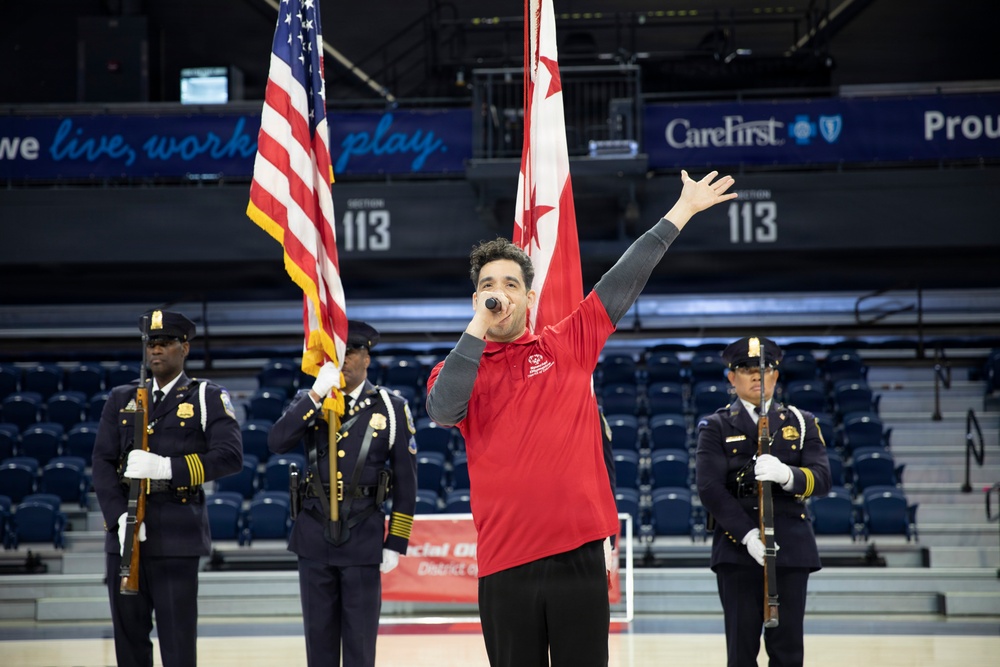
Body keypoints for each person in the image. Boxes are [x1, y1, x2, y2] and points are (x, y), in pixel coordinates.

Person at [425, 170, 737, 667]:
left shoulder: (566, 344)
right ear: (474, 299)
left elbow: (621, 281)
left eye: (510, 283)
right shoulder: (456, 369)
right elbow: (443, 411)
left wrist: (680, 213)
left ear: (530, 297)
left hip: (578, 556)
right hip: (505, 563)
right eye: (487, 285)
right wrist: (480, 326)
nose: (498, 292)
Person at [91, 309, 243, 667]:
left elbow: (230, 456)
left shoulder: (206, 397)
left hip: (176, 533)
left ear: (184, 348)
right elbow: (101, 461)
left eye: (165, 343)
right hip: (126, 537)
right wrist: (119, 519)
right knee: (129, 641)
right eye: (151, 343)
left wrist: (166, 467)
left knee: (177, 643)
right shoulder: (122, 398)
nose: (156, 351)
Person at [268, 320, 418, 667]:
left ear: (367, 357)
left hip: (363, 537)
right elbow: (277, 442)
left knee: (360, 646)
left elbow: (407, 483)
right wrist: (316, 395)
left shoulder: (390, 408)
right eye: (335, 352)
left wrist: (395, 542)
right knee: (318, 645)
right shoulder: (309, 402)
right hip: (314, 536)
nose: (343, 359)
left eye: (350, 351)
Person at [694, 336, 832, 667]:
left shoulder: (801, 422)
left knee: (788, 652)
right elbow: (710, 488)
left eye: (765, 368)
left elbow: (823, 479)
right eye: (746, 369)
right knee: (741, 652)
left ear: (776, 375)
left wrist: (788, 475)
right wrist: (748, 535)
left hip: (790, 548)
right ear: (732, 378)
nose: (757, 376)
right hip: (738, 551)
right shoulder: (715, 427)